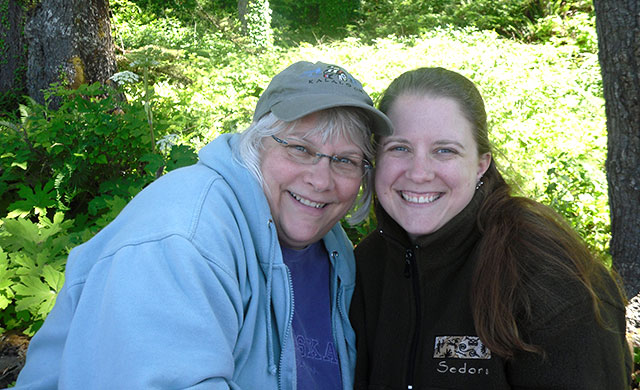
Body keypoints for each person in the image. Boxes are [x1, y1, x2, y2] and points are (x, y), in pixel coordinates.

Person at [14, 61, 392, 389]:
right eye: (301, 149)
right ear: (256, 143)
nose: (322, 179)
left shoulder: (331, 245)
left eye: (345, 160)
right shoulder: (183, 238)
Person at [349, 67, 632, 389]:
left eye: (445, 150)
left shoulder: (547, 276)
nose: (419, 173)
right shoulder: (364, 267)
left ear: (481, 164)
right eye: (399, 148)